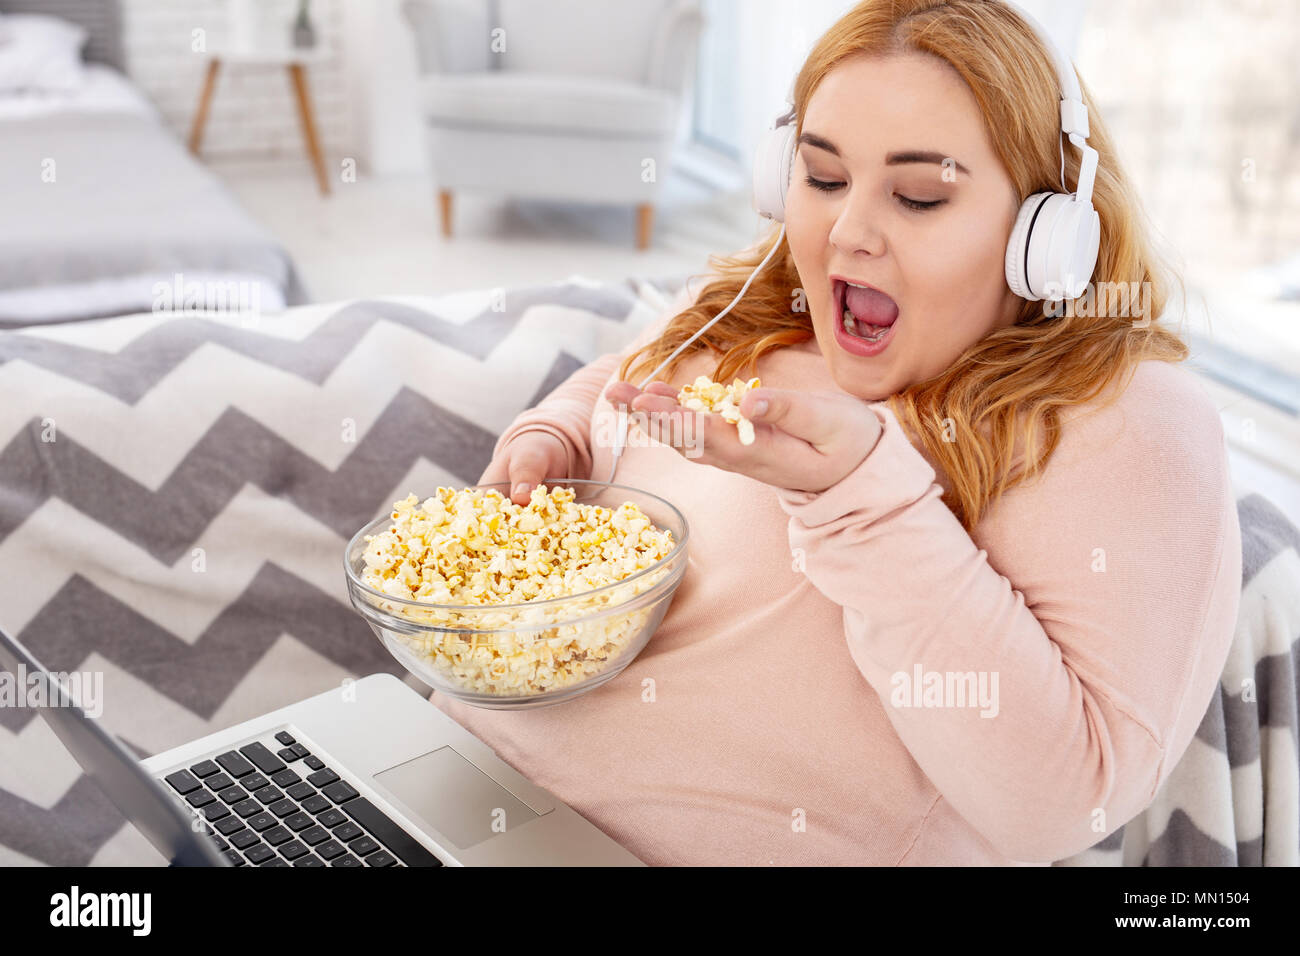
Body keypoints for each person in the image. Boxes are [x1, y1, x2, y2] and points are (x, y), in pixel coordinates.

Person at [437, 0, 1241, 865]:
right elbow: (633, 373)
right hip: (434, 783)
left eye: (920, 195)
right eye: (822, 179)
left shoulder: (1120, 420)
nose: (849, 233)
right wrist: (560, 436)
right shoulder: (765, 302)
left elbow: (1065, 803)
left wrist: (857, 496)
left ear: (1047, 238)